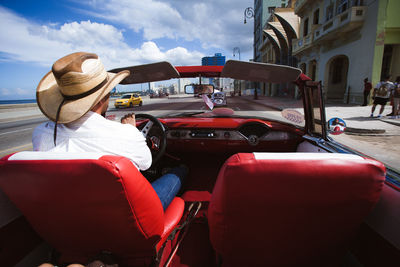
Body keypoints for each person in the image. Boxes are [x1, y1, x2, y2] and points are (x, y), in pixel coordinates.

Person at [32, 52, 187, 210]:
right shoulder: (126, 134)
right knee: (179, 171)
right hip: (128, 214)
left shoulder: (40, 134)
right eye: (109, 92)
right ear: (101, 98)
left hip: (74, 212)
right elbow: (146, 164)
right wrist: (131, 130)